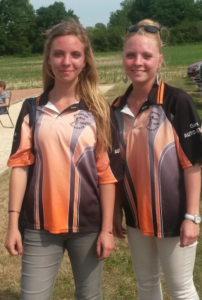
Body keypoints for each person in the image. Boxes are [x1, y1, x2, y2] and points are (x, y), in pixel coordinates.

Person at [5, 20, 123, 300]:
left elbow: (106, 175)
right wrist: (12, 225)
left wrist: (106, 229)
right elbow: (20, 167)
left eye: (75, 55)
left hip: (88, 226)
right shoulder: (32, 108)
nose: (66, 61)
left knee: (89, 296)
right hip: (37, 225)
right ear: (48, 59)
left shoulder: (100, 112)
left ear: (85, 61)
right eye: (58, 54)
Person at [112, 19, 202, 300]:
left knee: (181, 289)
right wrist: (117, 210)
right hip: (135, 217)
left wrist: (192, 217)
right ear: (123, 59)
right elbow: (116, 166)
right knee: (146, 283)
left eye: (146, 55)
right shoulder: (115, 108)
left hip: (174, 217)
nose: (137, 62)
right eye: (131, 55)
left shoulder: (177, 101)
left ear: (160, 60)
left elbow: (193, 165)